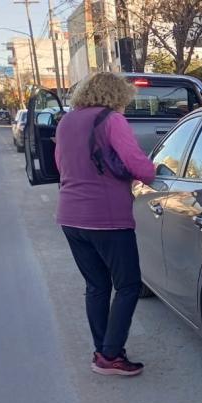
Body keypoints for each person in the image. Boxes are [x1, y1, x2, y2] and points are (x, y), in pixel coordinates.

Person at [55, 72, 155, 377]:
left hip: (70, 216)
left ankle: (103, 351)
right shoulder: (111, 120)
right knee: (128, 286)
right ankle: (110, 355)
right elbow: (140, 166)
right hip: (107, 218)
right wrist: (153, 170)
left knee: (96, 285)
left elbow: (61, 164)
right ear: (115, 96)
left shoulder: (66, 121)